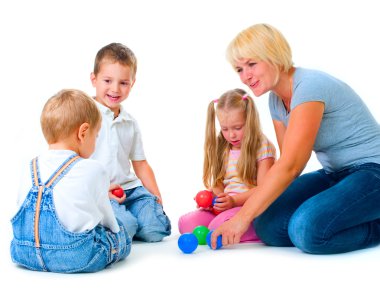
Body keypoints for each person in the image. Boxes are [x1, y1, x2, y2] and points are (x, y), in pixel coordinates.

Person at [211, 23, 380, 254]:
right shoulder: (275, 101)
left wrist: (241, 218)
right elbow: (285, 162)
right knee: (268, 226)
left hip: (373, 172)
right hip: (335, 174)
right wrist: (245, 204)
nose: (245, 76)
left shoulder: (309, 86)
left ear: (274, 56)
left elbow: (292, 165)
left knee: (307, 230)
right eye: (239, 69)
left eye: (251, 64)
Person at [10, 89, 131, 273]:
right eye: (96, 135)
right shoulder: (94, 169)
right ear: (83, 132)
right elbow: (109, 222)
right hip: (76, 257)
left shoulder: (30, 166)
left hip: (23, 252)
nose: (96, 141)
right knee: (120, 231)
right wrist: (117, 233)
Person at [90, 42, 171, 242]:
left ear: (132, 83)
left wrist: (156, 197)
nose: (115, 89)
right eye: (107, 80)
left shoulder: (130, 123)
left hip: (131, 190)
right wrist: (97, 192)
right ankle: (119, 224)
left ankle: (130, 221)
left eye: (123, 83)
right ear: (94, 79)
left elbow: (140, 163)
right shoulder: (85, 115)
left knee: (156, 229)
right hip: (101, 193)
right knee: (127, 226)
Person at [178, 89, 276, 242]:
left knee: (217, 227)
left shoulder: (262, 146)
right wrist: (216, 199)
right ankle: (221, 225)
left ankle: (255, 230)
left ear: (249, 121)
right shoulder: (223, 146)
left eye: (237, 128)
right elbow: (218, 181)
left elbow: (265, 189)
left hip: (248, 209)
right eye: (225, 129)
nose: (231, 135)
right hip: (227, 207)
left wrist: (234, 201)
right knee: (186, 224)